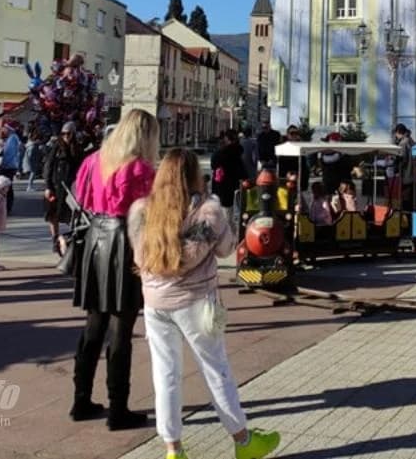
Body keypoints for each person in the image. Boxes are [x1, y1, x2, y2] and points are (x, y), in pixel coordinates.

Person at [129, 146, 281, 459]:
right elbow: (226, 249)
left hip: (155, 303)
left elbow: (140, 257)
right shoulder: (208, 212)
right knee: (215, 369)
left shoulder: (142, 211)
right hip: (196, 302)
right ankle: (243, 441)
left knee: (165, 374)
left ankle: (173, 449)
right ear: (194, 175)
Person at [69, 108, 158, 430]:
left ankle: (81, 400)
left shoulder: (94, 160)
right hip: (125, 241)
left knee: (94, 324)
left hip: (96, 239)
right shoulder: (141, 169)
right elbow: (150, 211)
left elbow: (80, 197)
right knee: (121, 329)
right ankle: (118, 408)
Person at [44, 122, 84, 256]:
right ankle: (55, 239)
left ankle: (71, 238)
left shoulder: (78, 149)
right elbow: (48, 166)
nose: (66, 136)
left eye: (68, 133)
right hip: (56, 186)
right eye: (64, 133)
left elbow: (81, 167)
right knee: (52, 215)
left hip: (71, 187)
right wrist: (48, 186)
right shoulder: (56, 148)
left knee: (72, 214)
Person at [211, 129, 244, 220]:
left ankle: (226, 226)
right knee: (231, 208)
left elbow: (213, 164)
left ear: (226, 139)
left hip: (222, 184)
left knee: (225, 211)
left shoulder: (221, 152)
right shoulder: (239, 150)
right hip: (234, 183)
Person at [392, 123, 416, 208]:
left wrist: (396, 166)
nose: (395, 136)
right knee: (412, 198)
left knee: (406, 199)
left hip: (407, 175)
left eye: (396, 134)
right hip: (414, 175)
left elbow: (402, 159)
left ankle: (406, 214)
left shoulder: (403, 143)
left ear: (398, 132)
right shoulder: (411, 140)